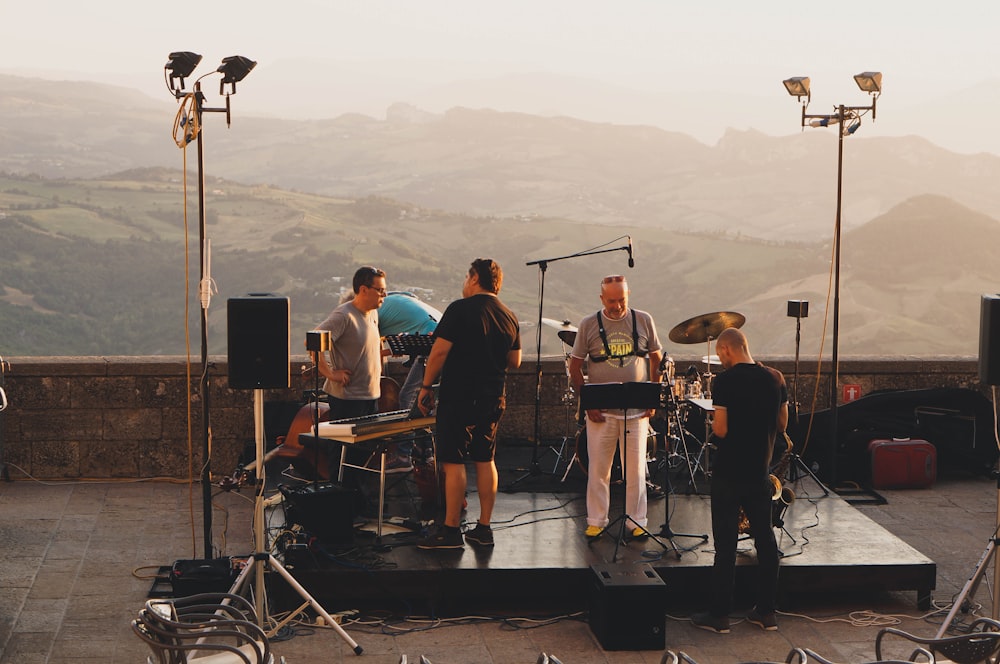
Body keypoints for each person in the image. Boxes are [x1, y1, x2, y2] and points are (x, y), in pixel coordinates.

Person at [415, 258, 521, 549]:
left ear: (475, 279)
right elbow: (515, 360)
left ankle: (450, 531)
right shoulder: (508, 314)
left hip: (459, 394)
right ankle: (483, 529)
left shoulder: (459, 309)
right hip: (493, 395)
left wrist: (425, 387)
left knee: (453, 460)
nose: (464, 282)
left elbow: (438, 354)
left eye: (466, 276)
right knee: (486, 459)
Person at [691, 327, 788, 634]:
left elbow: (720, 429)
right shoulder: (775, 378)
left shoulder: (726, 381)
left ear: (726, 350)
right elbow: (783, 423)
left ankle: (720, 616)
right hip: (760, 472)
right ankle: (766, 612)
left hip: (729, 473)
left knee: (726, 545)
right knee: (766, 540)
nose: (720, 361)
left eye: (720, 356)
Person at [568, 274, 662, 540]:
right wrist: (588, 403)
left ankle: (637, 522)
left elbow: (656, 358)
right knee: (599, 469)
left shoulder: (644, 320)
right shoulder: (588, 324)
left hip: (636, 411)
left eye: (621, 300)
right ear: (601, 299)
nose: (617, 306)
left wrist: (651, 397)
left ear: (628, 295)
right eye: (611, 301)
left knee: (636, 470)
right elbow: (574, 366)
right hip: (601, 412)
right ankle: (596, 520)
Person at [377, 291, 442, 471]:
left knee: (409, 396)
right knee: (426, 401)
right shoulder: (402, 301)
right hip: (443, 340)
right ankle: (425, 452)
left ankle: (403, 455)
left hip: (433, 343)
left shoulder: (374, 311)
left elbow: (370, 347)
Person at [312, 266, 387, 420]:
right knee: (346, 445)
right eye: (379, 290)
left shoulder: (373, 313)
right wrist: (330, 374)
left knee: (370, 444)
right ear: (364, 290)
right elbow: (313, 341)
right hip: (348, 399)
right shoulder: (344, 315)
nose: (384, 294)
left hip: (371, 397)